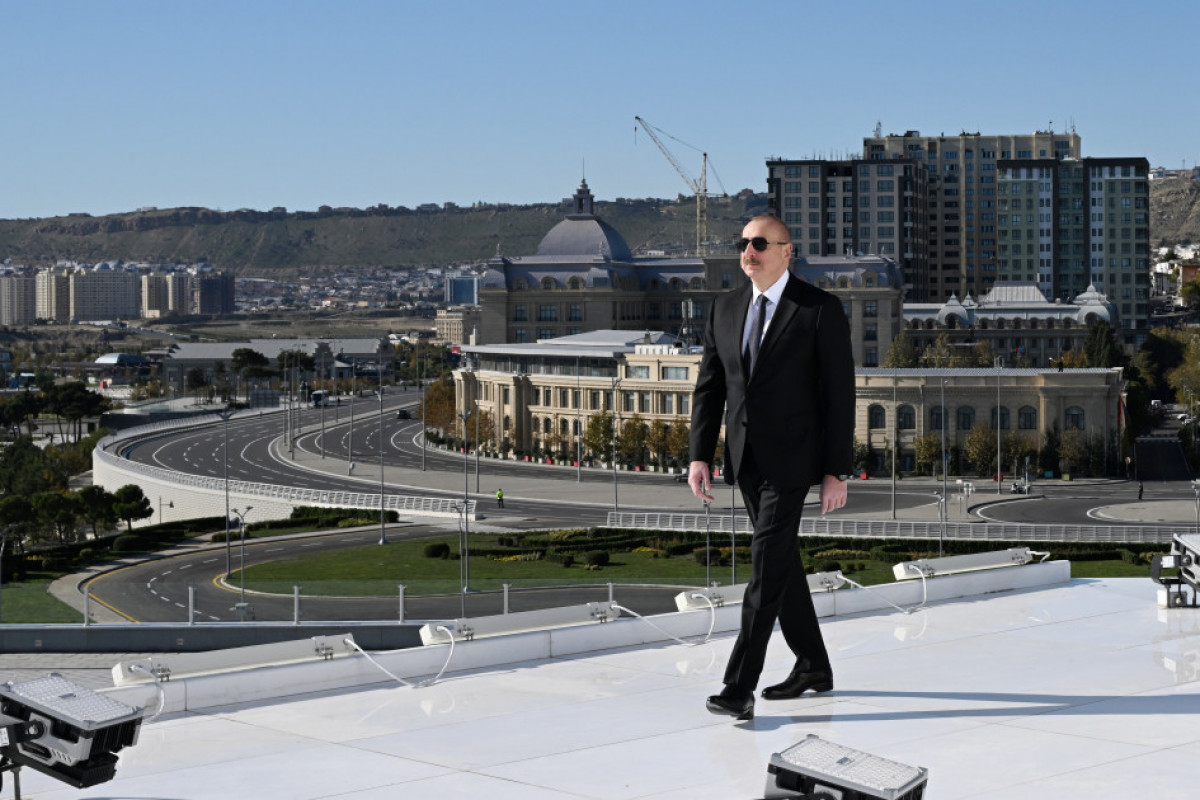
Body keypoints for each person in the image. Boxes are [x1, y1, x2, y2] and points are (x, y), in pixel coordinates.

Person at [688, 214, 855, 721]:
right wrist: (700, 454)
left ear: (787, 250)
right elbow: (711, 387)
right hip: (746, 458)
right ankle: (813, 665)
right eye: (743, 242)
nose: (748, 251)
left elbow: (839, 395)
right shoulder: (725, 307)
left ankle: (739, 685)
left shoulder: (819, 309)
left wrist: (836, 470)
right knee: (782, 563)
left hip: (794, 459)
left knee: (764, 567)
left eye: (759, 242)